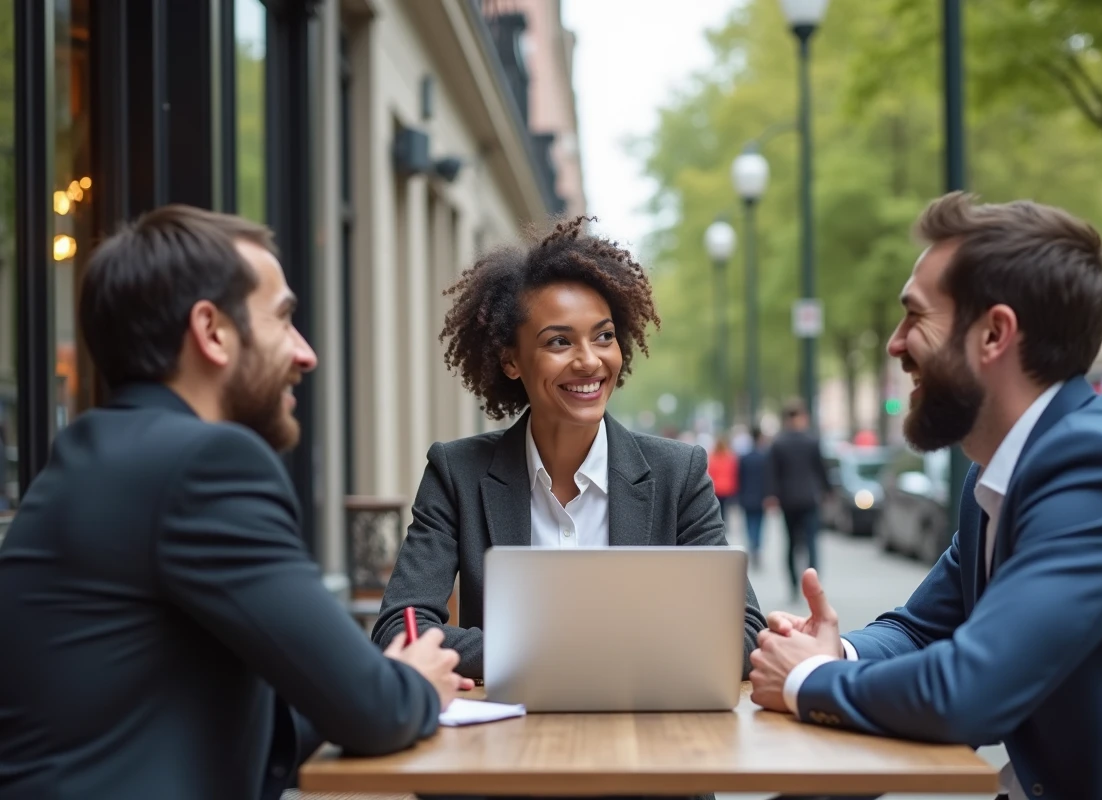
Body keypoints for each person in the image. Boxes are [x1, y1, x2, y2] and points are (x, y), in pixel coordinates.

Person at [0, 206, 470, 800]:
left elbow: (240, 715)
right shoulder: (205, 464)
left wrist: (379, 688)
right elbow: (371, 709)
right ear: (213, 331)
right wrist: (414, 685)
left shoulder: (92, 456)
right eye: (283, 321)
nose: (306, 354)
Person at [750, 193, 1102, 800]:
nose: (895, 343)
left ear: (994, 334)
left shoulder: (1099, 466)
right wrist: (839, 649)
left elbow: (970, 694)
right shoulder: (1002, 473)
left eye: (915, 316)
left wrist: (809, 678)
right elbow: (921, 629)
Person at [373, 216, 767, 682]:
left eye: (603, 336)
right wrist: (587, 650)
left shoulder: (678, 473)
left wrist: (541, 651)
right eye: (559, 341)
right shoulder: (456, 472)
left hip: (646, 738)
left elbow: (744, 632)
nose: (589, 361)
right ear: (511, 361)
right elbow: (403, 629)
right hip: (506, 738)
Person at [765, 403, 830, 597]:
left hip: (788, 499)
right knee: (811, 542)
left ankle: (793, 584)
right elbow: (821, 469)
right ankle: (813, 585)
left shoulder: (778, 443)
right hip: (809, 498)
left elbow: (771, 473)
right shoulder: (811, 440)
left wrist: (771, 495)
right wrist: (827, 491)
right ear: (802, 417)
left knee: (791, 543)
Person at [737, 427, 770, 569]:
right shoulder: (765, 457)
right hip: (761, 497)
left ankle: (752, 545)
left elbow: (739, 479)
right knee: (760, 524)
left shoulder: (744, 458)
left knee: (750, 524)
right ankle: (756, 546)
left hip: (747, 496)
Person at [707, 435, 739, 521]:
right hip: (727, 487)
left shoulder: (712, 457)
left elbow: (710, 473)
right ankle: (724, 522)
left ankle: (719, 522)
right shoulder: (730, 457)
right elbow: (733, 473)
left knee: (717, 508)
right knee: (725, 508)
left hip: (716, 487)